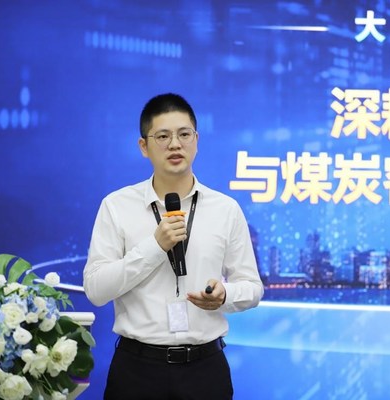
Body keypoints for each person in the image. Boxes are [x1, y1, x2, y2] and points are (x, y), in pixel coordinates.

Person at [83, 93, 264, 399]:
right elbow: (96, 289)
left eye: (184, 134)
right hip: (137, 369)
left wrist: (225, 295)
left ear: (196, 140)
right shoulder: (116, 206)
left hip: (205, 369)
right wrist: (154, 247)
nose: (175, 144)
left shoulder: (226, 209)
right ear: (144, 146)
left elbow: (253, 287)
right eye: (163, 136)